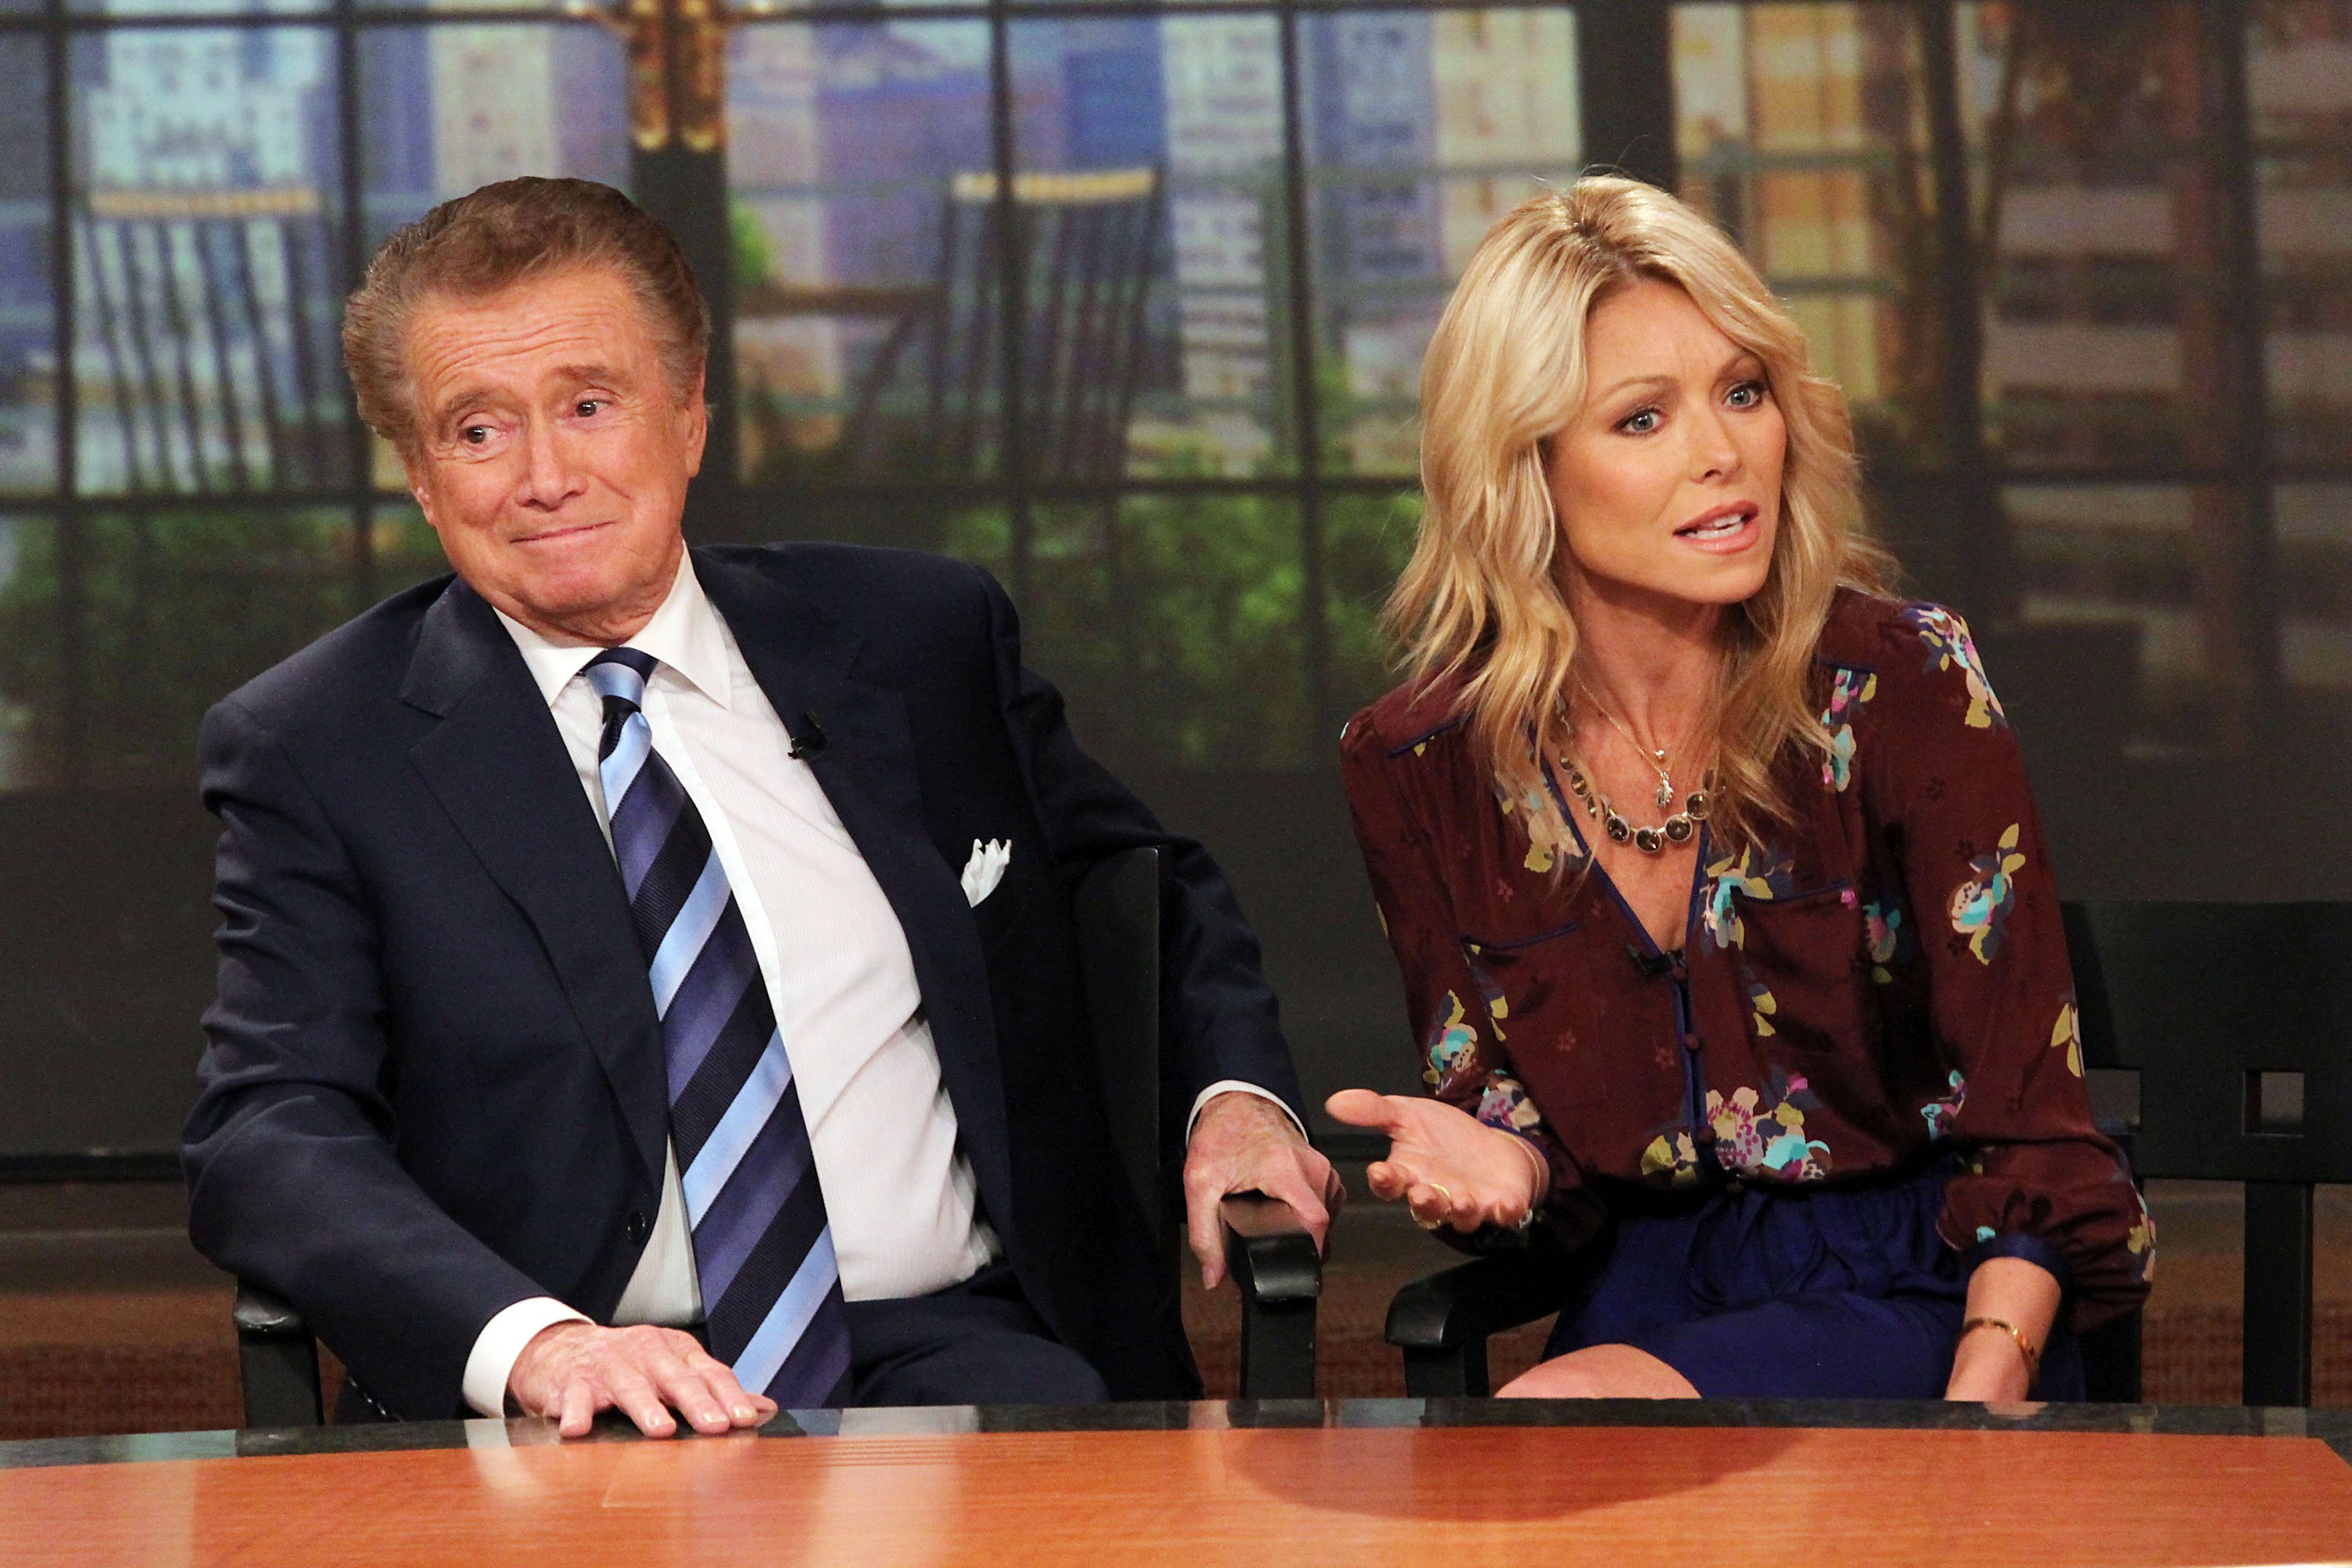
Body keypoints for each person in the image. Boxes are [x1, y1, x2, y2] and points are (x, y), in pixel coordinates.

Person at [183, 177, 1336, 1436]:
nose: (545, 476)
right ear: (417, 474)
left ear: (688, 417)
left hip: (961, 1360)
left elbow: (1144, 893)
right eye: (477, 430)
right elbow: (270, 1132)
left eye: (587, 405)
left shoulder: (914, 642)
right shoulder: (318, 746)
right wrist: (540, 1345)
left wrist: (1238, 1105)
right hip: (580, 1402)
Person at [1326, 176, 2152, 1402]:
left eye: (1743, 392)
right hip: (1646, 1302)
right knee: (1538, 1460)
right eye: (1643, 420)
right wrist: (1513, 1168)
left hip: (1927, 1294)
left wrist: (1981, 1407)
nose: (1724, 455)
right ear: (1525, 469)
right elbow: (1538, 1167)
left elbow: (2032, 1135)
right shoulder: (1421, 764)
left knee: (1562, 1427)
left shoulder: (1902, 682)